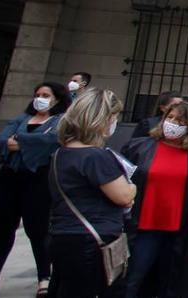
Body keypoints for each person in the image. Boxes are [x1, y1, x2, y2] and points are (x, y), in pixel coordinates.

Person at [121, 101, 188, 298]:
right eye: (169, 118)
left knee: (174, 282)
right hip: (145, 226)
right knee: (133, 278)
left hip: (182, 228)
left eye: (179, 120)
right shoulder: (139, 147)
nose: (172, 123)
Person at [47, 88, 135, 298]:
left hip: (64, 234)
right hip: (94, 240)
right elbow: (124, 196)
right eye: (113, 116)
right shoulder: (96, 157)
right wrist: (133, 187)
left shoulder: (62, 153)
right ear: (102, 117)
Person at [0, 81, 68, 296]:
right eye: (38, 94)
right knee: (3, 227)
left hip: (38, 179)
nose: (40, 98)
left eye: (46, 95)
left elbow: (52, 141)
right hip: (9, 177)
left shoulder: (60, 121)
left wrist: (20, 141)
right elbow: (3, 141)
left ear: (57, 99)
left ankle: (44, 277)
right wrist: (29, 141)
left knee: (37, 229)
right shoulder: (22, 118)